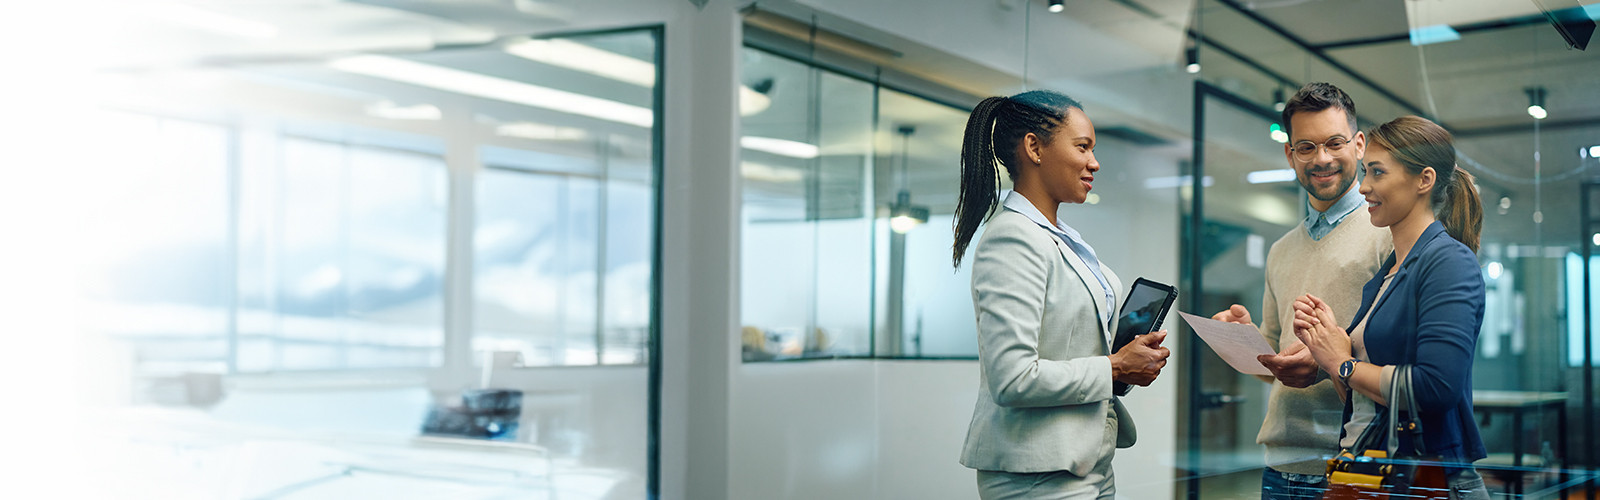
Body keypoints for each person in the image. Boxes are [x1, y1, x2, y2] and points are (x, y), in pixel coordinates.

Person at [952, 89, 1170, 499]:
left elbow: (1072, 347)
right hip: (1038, 474)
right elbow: (1013, 379)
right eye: (1083, 147)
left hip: (1087, 463)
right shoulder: (1012, 239)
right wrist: (1116, 366)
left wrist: (1125, 363)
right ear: (1034, 147)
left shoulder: (1060, 238)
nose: (1094, 162)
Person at [1208, 82, 1393, 499]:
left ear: (1359, 145)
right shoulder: (1281, 250)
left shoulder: (1386, 233)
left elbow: (1401, 357)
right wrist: (1242, 341)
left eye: (1334, 143)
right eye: (1306, 147)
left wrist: (1328, 359)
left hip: (1353, 459)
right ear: (1290, 154)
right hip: (1279, 465)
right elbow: (1271, 365)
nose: (1321, 158)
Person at [1292, 115, 1489, 499]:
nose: (1364, 187)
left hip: (1419, 480)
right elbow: (1364, 399)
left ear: (1424, 180)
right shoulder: (1385, 277)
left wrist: (1343, 363)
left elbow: (1436, 389)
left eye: (1377, 173)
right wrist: (1330, 345)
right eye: (1366, 172)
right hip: (1364, 473)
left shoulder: (1449, 261)